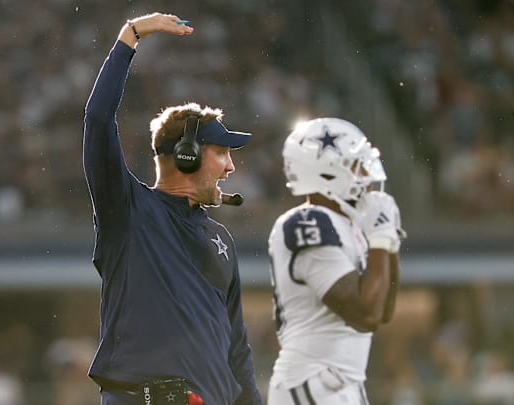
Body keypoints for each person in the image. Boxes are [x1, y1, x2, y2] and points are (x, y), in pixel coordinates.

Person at [83, 12, 262, 405]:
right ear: (186, 155)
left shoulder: (221, 239)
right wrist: (130, 36)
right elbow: (98, 120)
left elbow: (238, 350)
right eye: (221, 153)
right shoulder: (128, 210)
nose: (231, 167)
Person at [266, 118, 405, 404]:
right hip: (312, 381)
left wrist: (388, 241)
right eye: (356, 165)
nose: (365, 173)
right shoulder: (308, 221)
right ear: (326, 172)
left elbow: (383, 311)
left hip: (339, 384)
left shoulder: (349, 225)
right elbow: (364, 314)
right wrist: (379, 237)